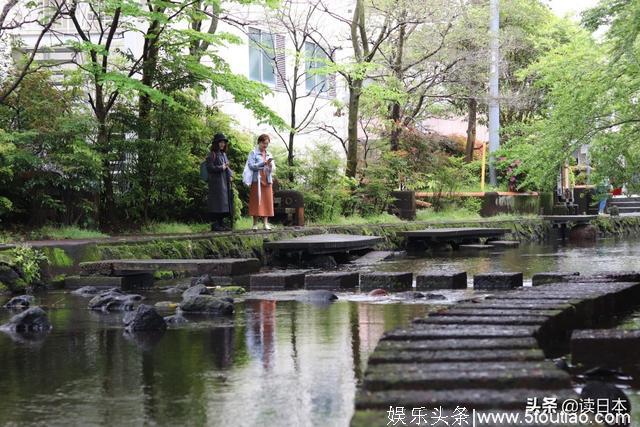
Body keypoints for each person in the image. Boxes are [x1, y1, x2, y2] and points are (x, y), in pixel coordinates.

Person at [206, 133, 234, 231]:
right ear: (216, 143)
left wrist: (230, 175)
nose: (222, 144)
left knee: (224, 203)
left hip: (224, 183)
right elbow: (210, 168)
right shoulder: (211, 154)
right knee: (217, 203)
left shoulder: (224, 154)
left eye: (224, 143)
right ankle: (215, 224)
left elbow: (227, 167)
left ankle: (221, 223)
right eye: (220, 142)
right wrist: (221, 167)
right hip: (216, 183)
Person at [247, 134, 275, 230]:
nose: (265, 145)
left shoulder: (269, 154)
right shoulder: (253, 153)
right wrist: (263, 163)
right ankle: (255, 224)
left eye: (267, 143)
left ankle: (265, 223)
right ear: (259, 142)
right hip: (257, 179)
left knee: (267, 200)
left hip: (267, 179)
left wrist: (270, 166)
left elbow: (273, 169)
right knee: (256, 201)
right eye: (263, 143)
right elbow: (250, 166)